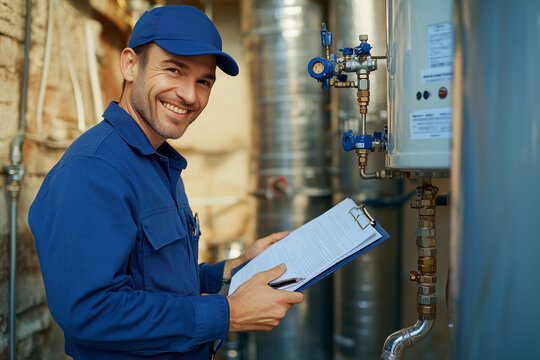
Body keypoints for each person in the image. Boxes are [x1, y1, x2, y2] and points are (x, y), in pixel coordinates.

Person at [28, 5, 303, 360]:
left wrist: (230, 270)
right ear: (130, 65)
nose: (190, 96)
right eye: (174, 70)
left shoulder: (158, 162)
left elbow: (152, 278)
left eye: (204, 81)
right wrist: (229, 313)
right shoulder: (95, 170)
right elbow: (91, 312)